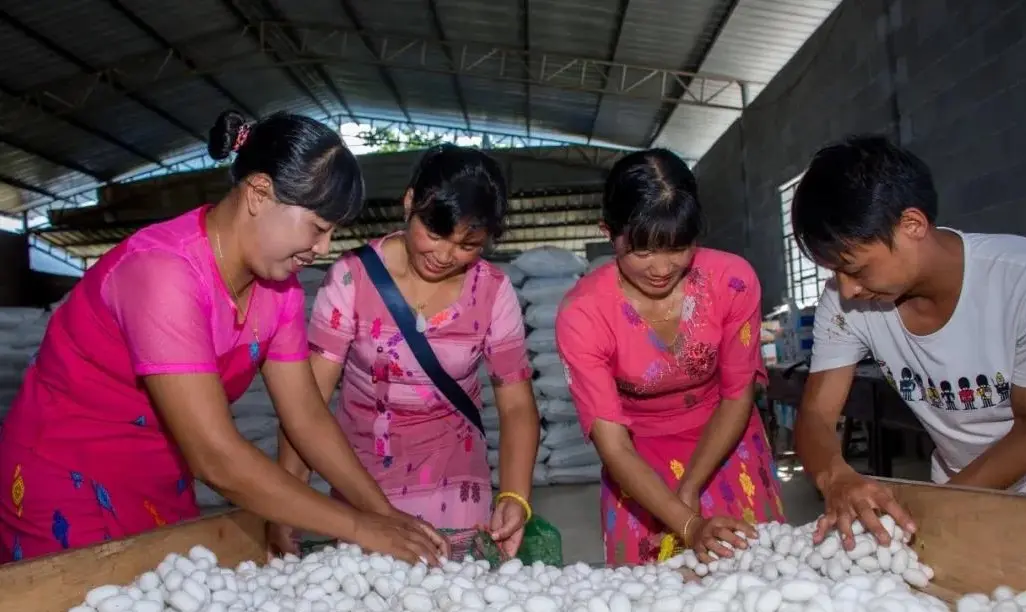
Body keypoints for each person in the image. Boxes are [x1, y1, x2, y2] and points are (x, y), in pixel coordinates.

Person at [0, 110, 447, 564]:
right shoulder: (164, 276)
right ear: (259, 193)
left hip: (158, 477)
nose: (322, 249)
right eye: (317, 227)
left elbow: (307, 418)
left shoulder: (278, 288)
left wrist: (384, 517)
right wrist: (356, 526)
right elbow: (214, 454)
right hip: (67, 477)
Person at [791, 135, 1026, 550]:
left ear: (912, 225)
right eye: (836, 272)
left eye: (855, 268)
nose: (848, 289)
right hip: (959, 486)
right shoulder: (844, 302)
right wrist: (835, 475)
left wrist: (933, 510)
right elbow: (817, 413)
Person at [270, 144, 541, 558]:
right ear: (410, 201)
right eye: (434, 234)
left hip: (457, 489)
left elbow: (517, 406)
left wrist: (515, 496)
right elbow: (307, 403)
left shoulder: (492, 290)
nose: (445, 255)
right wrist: (287, 502)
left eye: (468, 245)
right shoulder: (352, 279)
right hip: (363, 489)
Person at [555, 148, 784, 566]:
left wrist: (693, 485)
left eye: (678, 247)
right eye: (641, 251)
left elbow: (737, 394)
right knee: (655, 592)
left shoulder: (731, 282)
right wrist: (688, 522)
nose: (661, 267)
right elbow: (614, 446)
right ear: (609, 232)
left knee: (754, 572)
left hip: (725, 439)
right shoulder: (584, 314)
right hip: (639, 460)